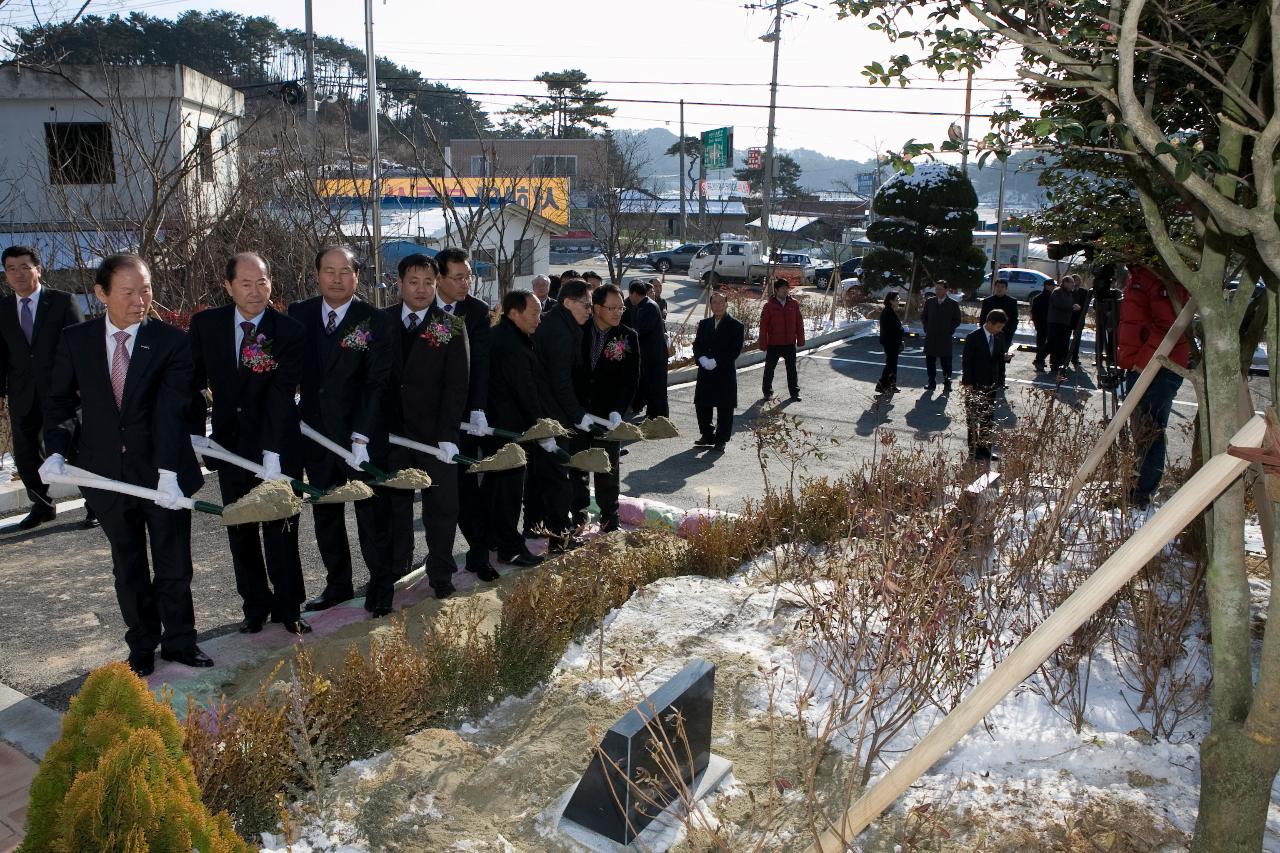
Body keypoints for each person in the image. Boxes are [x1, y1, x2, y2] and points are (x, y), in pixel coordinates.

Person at [41, 254, 208, 677]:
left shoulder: (171, 341)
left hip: (162, 473)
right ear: (101, 294)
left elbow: (173, 409)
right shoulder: (76, 340)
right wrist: (57, 450)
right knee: (128, 562)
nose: (140, 301)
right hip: (104, 474)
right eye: (129, 292)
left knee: (173, 563)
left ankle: (181, 641)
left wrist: (169, 471)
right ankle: (142, 644)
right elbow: (60, 402)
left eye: (146, 289)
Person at [188, 252, 310, 635]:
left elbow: (280, 392)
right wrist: (196, 433)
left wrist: (273, 451)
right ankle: (254, 606)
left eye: (262, 282)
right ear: (228, 286)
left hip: (276, 444)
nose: (255, 291)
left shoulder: (288, 331)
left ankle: (289, 607)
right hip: (230, 445)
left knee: (281, 527)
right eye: (245, 283)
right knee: (240, 528)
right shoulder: (207, 326)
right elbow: (191, 382)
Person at [289, 246, 397, 618]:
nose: (336, 279)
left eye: (344, 272)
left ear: (357, 276)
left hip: (360, 439)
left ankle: (381, 586)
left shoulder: (374, 321)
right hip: (315, 435)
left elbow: (377, 384)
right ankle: (337, 585)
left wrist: (362, 437)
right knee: (326, 514)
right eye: (328, 271)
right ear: (317, 274)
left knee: (371, 517)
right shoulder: (299, 315)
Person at [383, 253, 474, 599]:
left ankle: (440, 573)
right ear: (400, 283)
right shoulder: (382, 321)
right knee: (395, 507)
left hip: (436, 437)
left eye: (428, 282)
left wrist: (449, 434)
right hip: (392, 434)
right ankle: (395, 569)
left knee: (441, 508)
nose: (421, 289)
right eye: (413, 282)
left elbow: (457, 386)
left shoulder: (450, 325)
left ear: (436, 285)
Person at [0, 245, 91, 530]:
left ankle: (96, 504)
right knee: (26, 454)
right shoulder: (2, 309)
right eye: (11, 269)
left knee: (76, 451)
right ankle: (41, 505)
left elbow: (81, 347)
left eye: (25, 267)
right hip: (22, 393)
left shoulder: (62, 302)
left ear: (38, 270)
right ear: (5, 275)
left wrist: (84, 388)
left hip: (62, 392)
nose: (18, 274)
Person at [435, 247, 495, 579]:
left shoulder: (476, 311)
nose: (465, 283)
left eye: (468, 276)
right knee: (431, 497)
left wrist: (478, 410)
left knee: (466, 492)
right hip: (422, 418)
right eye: (457, 277)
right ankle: (433, 562)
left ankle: (478, 554)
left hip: (462, 419)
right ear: (440, 278)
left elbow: (481, 364)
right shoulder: (420, 307)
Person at [1117, 265, 1189, 509]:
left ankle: (1141, 495)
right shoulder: (1140, 274)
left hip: (1157, 367)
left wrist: (1142, 362)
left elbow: (1171, 325)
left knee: (1150, 432)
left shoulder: (1158, 276)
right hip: (1146, 364)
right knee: (1143, 431)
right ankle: (1136, 489)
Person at [485, 290, 548, 567]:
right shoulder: (510, 343)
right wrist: (541, 427)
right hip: (508, 429)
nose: (538, 319)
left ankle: (494, 539)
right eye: (533, 313)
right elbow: (525, 390)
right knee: (508, 491)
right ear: (514, 313)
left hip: (498, 425)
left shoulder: (506, 335)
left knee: (496, 489)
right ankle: (510, 547)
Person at [531, 278, 594, 549]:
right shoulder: (559, 331)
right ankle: (559, 537)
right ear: (568, 303)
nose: (590, 310)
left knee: (544, 477)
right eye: (586, 305)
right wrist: (578, 414)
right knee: (558, 480)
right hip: (552, 415)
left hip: (548, 412)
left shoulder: (559, 323)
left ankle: (540, 528)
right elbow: (559, 381)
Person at [573, 284, 639, 533]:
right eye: (611, 308)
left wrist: (617, 411)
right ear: (597, 308)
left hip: (606, 413)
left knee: (607, 466)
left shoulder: (627, 335)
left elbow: (631, 379)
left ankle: (609, 516)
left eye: (621, 308)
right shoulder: (579, 330)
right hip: (577, 411)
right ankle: (578, 516)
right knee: (577, 465)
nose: (617, 312)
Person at [692, 290, 745, 451]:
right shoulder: (704, 323)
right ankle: (707, 434)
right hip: (705, 370)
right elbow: (697, 344)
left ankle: (721, 439)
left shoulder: (736, 325)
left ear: (727, 304)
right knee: (702, 404)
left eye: (721, 302)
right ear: (710, 305)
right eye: (714, 302)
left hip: (724, 371)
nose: (718, 305)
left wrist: (717, 361)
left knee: (725, 407)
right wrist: (701, 359)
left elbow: (735, 350)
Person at [961, 308, 1012, 462]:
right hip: (975, 383)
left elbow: (997, 358)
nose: (1000, 330)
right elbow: (967, 361)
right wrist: (967, 382)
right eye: (998, 327)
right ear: (989, 323)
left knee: (988, 418)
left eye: (1001, 327)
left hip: (991, 383)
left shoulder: (999, 336)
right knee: (973, 418)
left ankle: (986, 449)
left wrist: (1005, 358)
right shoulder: (973, 337)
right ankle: (973, 450)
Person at [625, 280, 669, 418]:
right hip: (648, 355)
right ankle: (651, 417)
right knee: (650, 388)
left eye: (630, 294)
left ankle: (661, 420)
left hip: (655, 356)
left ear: (634, 293)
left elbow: (641, 330)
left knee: (657, 389)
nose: (629, 298)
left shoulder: (649, 306)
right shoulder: (642, 305)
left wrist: (624, 342)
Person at [759, 280, 804, 400]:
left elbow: (799, 323)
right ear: (776, 290)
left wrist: (800, 340)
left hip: (789, 343)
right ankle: (767, 392)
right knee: (769, 369)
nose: (785, 290)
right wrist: (763, 344)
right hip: (774, 343)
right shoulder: (769, 306)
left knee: (792, 369)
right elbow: (763, 326)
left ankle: (794, 393)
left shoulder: (794, 304)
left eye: (786, 288)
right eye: (782, 288)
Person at [921, 281, 961, 393]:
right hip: (931, 337)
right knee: (930, 362)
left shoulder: (953, 304)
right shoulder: (930, 302)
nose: (937, 291)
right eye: (936, 289)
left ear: (946, 290)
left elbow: (957, 320)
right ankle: (931, 383)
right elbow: (924, 316)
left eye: (940, 289)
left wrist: (949, 330)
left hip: (945, 338)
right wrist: (926, 327)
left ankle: (947, 384)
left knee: (946, 363)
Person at [979, 279, 1019, 388]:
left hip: (1005, 335)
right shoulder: (988, 301)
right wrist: (984, 332)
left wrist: (1009, 331)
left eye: (1002, 287)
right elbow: (983, 318)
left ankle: (1001, 382)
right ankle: (988, 380)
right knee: (989, 358)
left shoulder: (1012, 301)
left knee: (1002, 358)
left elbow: (1014, 319)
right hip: (989, 334)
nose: (1000, 289)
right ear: (994, 287)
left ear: (1006, 289)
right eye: (998, 286)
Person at [1047, 274, 1079, 380]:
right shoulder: (1057, 292)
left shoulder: (1069, 293)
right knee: (1053, 343)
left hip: (1065, 323)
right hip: (1055, 321)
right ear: (1065, 283)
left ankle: (1061, 362)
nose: (1073, 285)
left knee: (1063, 344)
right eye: (1071, 283)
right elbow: (1058, 305)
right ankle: (1051, 363)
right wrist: (1071, 307)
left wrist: (1075, 306)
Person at [875, 291, 904, 394]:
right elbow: (890, 330)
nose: (899, 301)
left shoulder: (890, 311)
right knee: (890, 364)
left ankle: (892, 385)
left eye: (899, 299)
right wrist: (900, 330)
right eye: (897, 299)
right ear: (891, 301)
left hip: (893, 342)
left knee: (892, 364)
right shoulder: (887, 312)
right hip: (890, 343)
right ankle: (881, 385)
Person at [1029, 278, 1054, 371]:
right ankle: (1039, 360)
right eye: (1051, 285)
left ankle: (1040, 360)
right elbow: (1034, 312)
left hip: (1046, 324)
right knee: (1042, 343)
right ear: (1046, 286)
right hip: (1043, 323)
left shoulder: (1051, 296)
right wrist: (1036, 323)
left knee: (1043, 343)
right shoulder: (1040, 298)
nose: (1053, 287)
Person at [1069, 277, 1093, 369]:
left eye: (1078, 280)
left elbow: (1087, 304)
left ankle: (1075, 358)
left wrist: (1081, 308)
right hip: (1069, 318)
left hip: (1079, 319)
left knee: (1077, 339)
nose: (1076, 282)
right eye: (1074, 280)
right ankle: (1064, 357)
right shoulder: (1068, 291)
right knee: (1065, 338)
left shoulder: (1084, 292)